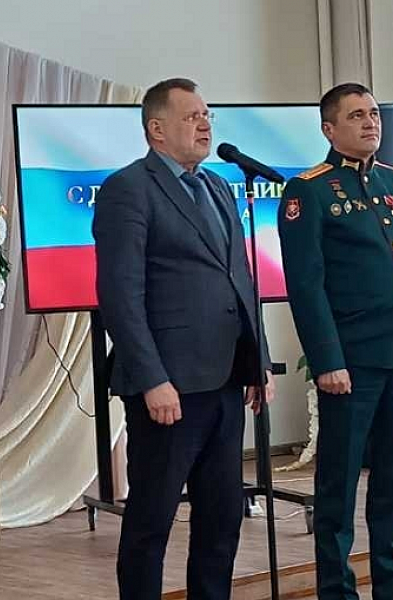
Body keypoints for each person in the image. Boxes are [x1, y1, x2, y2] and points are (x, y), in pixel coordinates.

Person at [93, 77, 275, 600]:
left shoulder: (217, 186)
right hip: (168, 387)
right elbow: (120, 296)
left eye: (207, 115)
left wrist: (258, 360)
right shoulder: (129, 188)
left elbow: (241, 278)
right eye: (192, 116)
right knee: (152, 520)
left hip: (225, 379)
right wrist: (152, 378)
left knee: (222, 516)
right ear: (157, 129)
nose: (205, 124)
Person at [277, 82, 393, 600]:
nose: (371, 122)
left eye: (373, 113)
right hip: (351, 363)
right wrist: (327, 359)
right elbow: (306, 287)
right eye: (356, 115)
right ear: (329, 129)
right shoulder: (309, 190)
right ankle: (337, 589)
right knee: (340, 483)